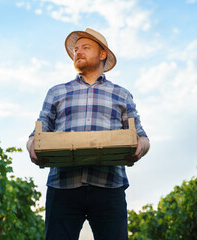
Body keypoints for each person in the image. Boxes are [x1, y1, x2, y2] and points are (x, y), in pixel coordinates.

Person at [27, 28, 150, 240]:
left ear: (102, 54)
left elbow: (142, 137)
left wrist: (140, 149)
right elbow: (37, 133)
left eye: (85, 47)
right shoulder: (56, 92)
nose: (78, 52)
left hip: (109, 185)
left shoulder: (121, 94)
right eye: (76, 49)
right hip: (63, 186)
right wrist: (32, 148)